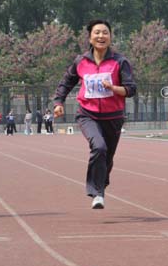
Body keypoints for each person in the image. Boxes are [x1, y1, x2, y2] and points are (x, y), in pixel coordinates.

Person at [53, 19, 136, 209]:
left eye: (105, 32)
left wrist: (114, 88)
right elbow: (66, 82)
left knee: (107, 157)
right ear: (90, 38)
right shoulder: (81, 61)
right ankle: (97, 193)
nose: (101, 36)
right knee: (98, 147)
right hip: (87, 114)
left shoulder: (120, 62)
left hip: (113, 117)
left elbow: (131, 89)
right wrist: (58, 102)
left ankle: (100, 184)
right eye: (97, 32)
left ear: (110, 37)